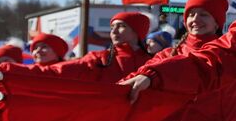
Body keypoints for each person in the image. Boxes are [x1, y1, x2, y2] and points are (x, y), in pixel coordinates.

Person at [16, 13, 152, 82]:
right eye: (112, 27)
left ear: (137, 31)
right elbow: (56, 71)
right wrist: (8, 70)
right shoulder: (100, 59)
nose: (114, 31)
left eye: (121, 26)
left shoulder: (155, 61)